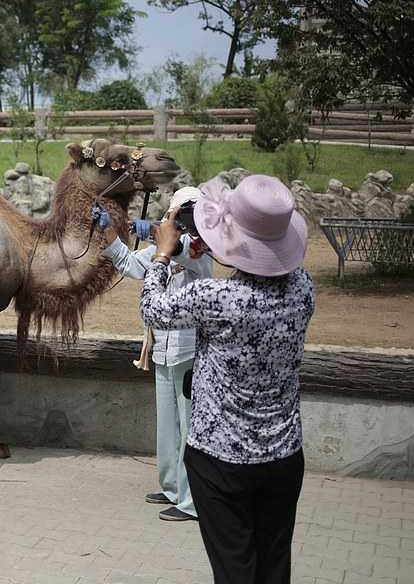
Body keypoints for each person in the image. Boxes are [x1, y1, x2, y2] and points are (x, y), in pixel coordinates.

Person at [139, 174, 314, 584]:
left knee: (235, 569)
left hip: (220, 460)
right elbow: (267, 268)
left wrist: (163, 254)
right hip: (284, 455)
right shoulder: (304, 289)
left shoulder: (216, 298)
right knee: (273, 566)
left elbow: (153, 309)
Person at [99, 186, 211, 523]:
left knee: (190, 428)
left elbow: (177, 248)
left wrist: (151, 229)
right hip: (162, 349)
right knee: (167, 426)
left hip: (190, 351)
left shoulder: (201, 248)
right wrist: (109, 229)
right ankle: (173, 487)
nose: (177, 220)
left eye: (182, 214)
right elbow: (129, 263)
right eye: (175, 213)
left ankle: (192, 502)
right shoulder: (165, 247)